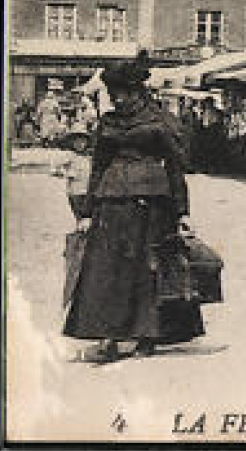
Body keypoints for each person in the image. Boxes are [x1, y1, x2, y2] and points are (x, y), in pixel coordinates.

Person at [63, 52, 204, 364]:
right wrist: (86, 212)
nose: (117, 100)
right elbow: (98, 168)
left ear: (138, 92)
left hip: (152, 205)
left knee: (146, 269)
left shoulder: (160, 122)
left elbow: (175, 168)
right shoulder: (108, 123)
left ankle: (147, 335)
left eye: (122, 94)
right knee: (106, 269)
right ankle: (109, 335)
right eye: (113, 95)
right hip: (110, 204)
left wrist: (182, 212)